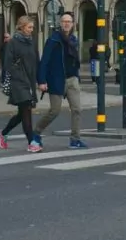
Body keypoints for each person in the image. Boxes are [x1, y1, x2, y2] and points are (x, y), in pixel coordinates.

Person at [32, 12, 87, 150]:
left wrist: (77, 75)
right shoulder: (53, 40)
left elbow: (74, 60)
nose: (66, 24)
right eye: (64, 21)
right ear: (60, 24)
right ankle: (36, 132)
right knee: (55, 111)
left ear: (73, 24)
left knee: (77, 109)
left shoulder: (73, 39)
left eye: (69, 21)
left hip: (72, 80)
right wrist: (42, 80)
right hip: (57, 80)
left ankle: (75, 139)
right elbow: (44, 62)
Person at [0, 17, 40, 152]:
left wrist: (39, 79)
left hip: (29, 82)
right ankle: (31, 142)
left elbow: (36, 61)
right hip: (18, 82)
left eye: (32, 28)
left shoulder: (32, 43)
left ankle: (3, 133)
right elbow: (7, 64)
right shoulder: (12, 43)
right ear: (21, 27)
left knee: (22, 113)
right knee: (26, 110)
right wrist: (19, 75)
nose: (31, 30)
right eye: (29, 27)